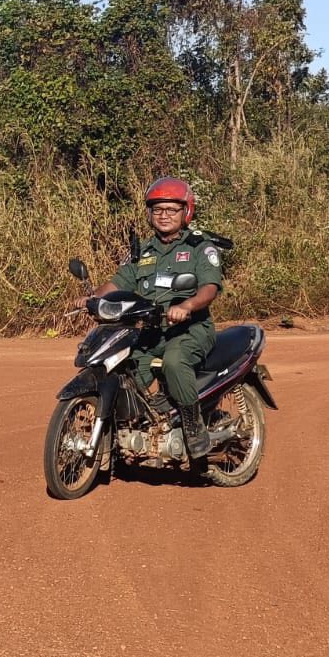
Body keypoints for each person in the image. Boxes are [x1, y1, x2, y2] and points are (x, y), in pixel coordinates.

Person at [74, 176, 222, 458]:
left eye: (171, 209)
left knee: (174, 362)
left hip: (190, 329)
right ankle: (143, 423)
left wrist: (187, 306)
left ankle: (193, 425)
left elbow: (209, 288)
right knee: (124, 367)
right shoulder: (142, 252)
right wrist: (93, 298)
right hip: (152, 331)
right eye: (157, 209)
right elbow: (118, 283)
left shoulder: (200, 247)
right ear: (149, 213)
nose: (164, 215)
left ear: (186, 211)